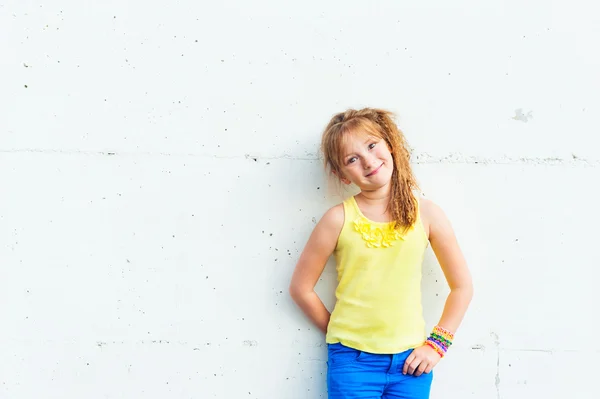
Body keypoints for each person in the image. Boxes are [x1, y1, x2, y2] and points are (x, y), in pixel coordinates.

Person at [289, 108, 473, 399]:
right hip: (352, 365)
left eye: (372, 145)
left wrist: (437, 345)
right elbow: (301, 288)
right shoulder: (337, 219)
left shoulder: (427, 214)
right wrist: (343, 335)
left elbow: (462, 287)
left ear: (390, 143)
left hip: (412, 365)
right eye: (352, 159)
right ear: (342, 174)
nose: (368, 161)